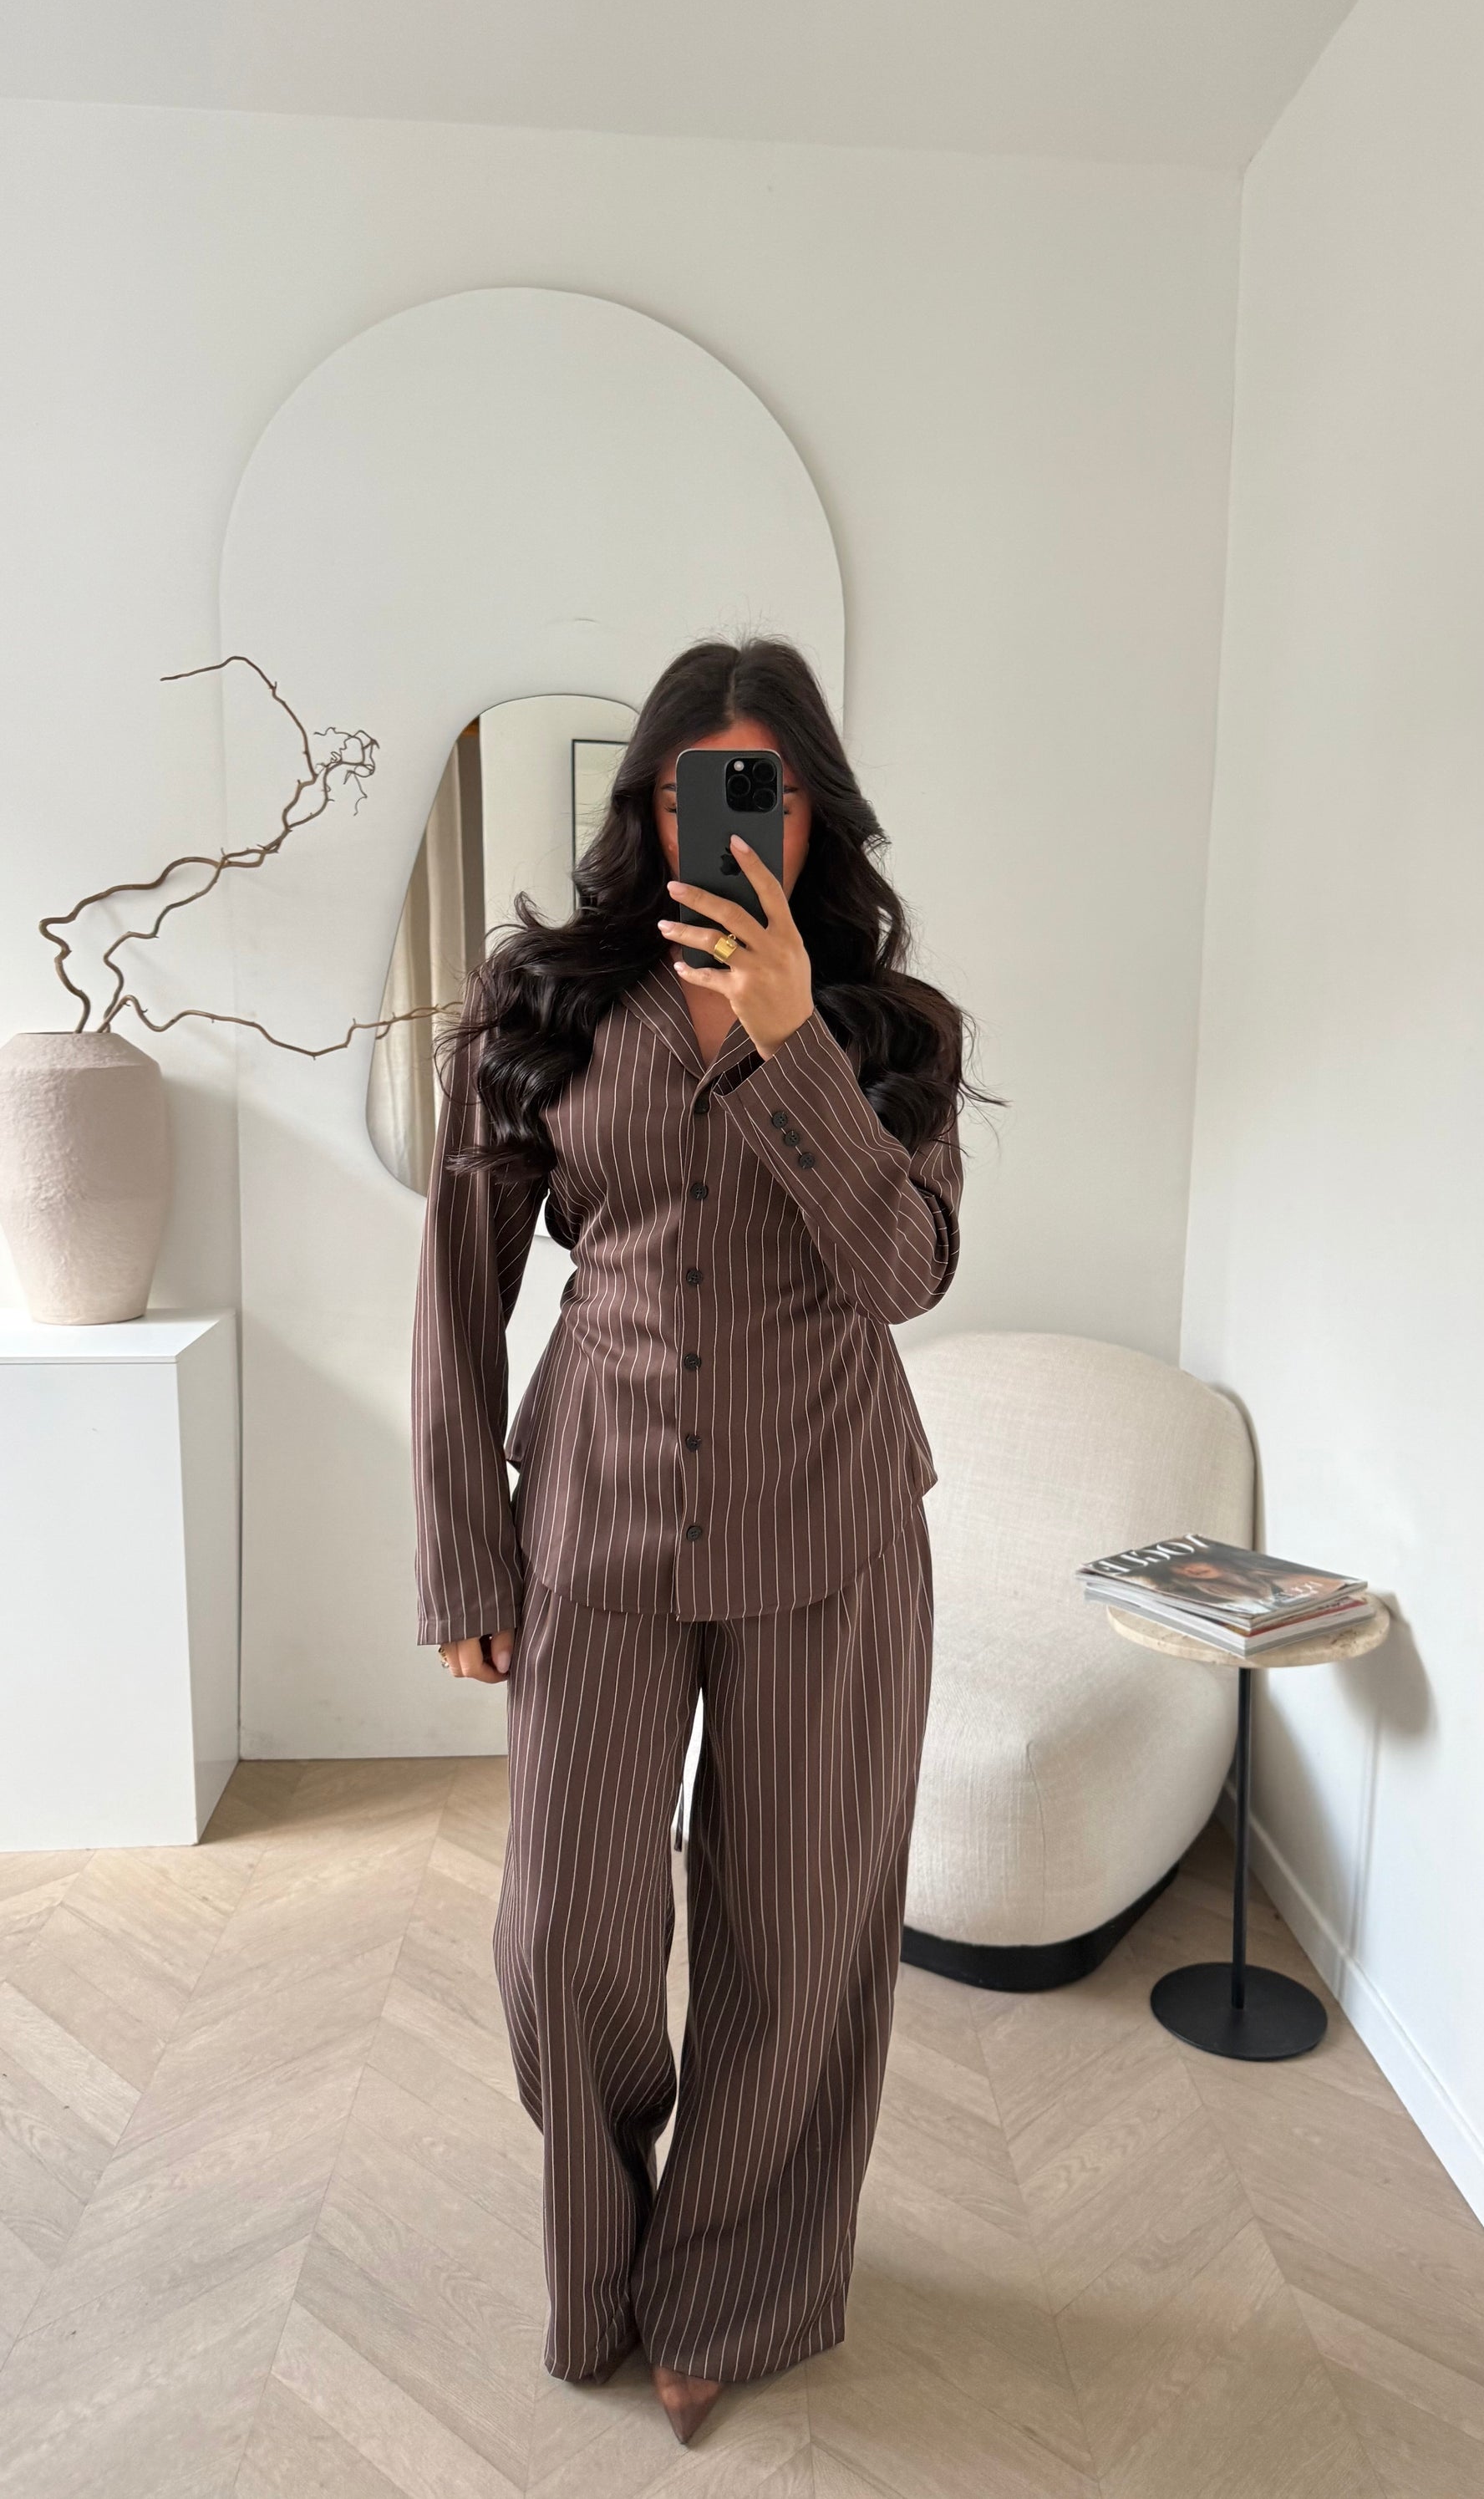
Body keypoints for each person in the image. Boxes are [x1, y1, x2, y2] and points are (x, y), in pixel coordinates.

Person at [409, 635, 987, 2446]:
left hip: (834, 1521)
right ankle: (606, 2259)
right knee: (560, 1934)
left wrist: (794, 1035)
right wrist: (465, 1551)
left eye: (766, 790)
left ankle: (729, 2286)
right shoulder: (544, 1006)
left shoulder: (896, 1030)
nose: (727, 823)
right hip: (596, 1518)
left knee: (798, 1939)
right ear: (646, 807)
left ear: (815, 814)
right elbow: (457, 1284)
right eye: (692, 791)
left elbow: (901, 1276)